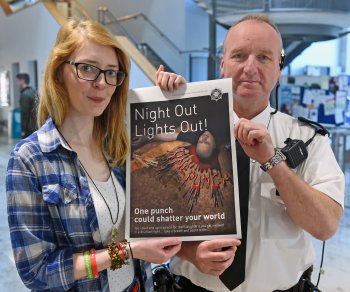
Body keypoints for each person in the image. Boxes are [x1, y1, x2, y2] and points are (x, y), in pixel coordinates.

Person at [156, 14, 344, 292]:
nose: (250, 67)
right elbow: (152, 218)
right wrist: (158, 108)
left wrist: (273, 161)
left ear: (279, 69)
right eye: (239, 55)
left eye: (265, 57)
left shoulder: (308, 140)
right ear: (222, 64)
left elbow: (325, 226)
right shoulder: (182, 129)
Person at [6, 19, 182, 291]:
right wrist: (125, 251)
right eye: (88, 68)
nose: (102, 83)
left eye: (112, 72)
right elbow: (37, 272)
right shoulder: (30, 159)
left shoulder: (120, 147)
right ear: (58, 72)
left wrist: (175, 100)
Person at [16, 72, 37, 138]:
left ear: (22, 81)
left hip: (29, 129)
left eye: (17, 81)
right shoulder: (34, 91)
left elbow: (25, 114)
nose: (17, 84)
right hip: (36, 126)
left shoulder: (25, 95)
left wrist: (23, 130)